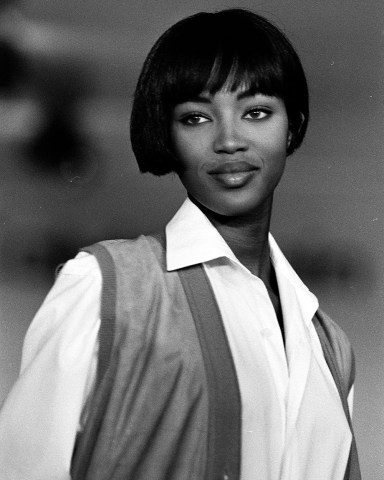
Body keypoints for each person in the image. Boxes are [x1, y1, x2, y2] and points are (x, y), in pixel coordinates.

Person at [0, 8, 360, 480]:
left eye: (256, 112)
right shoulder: (106, 288)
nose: (229, 140)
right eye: (195, 118)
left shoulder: (329, 346)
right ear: (167, 136)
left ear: (292, 125)